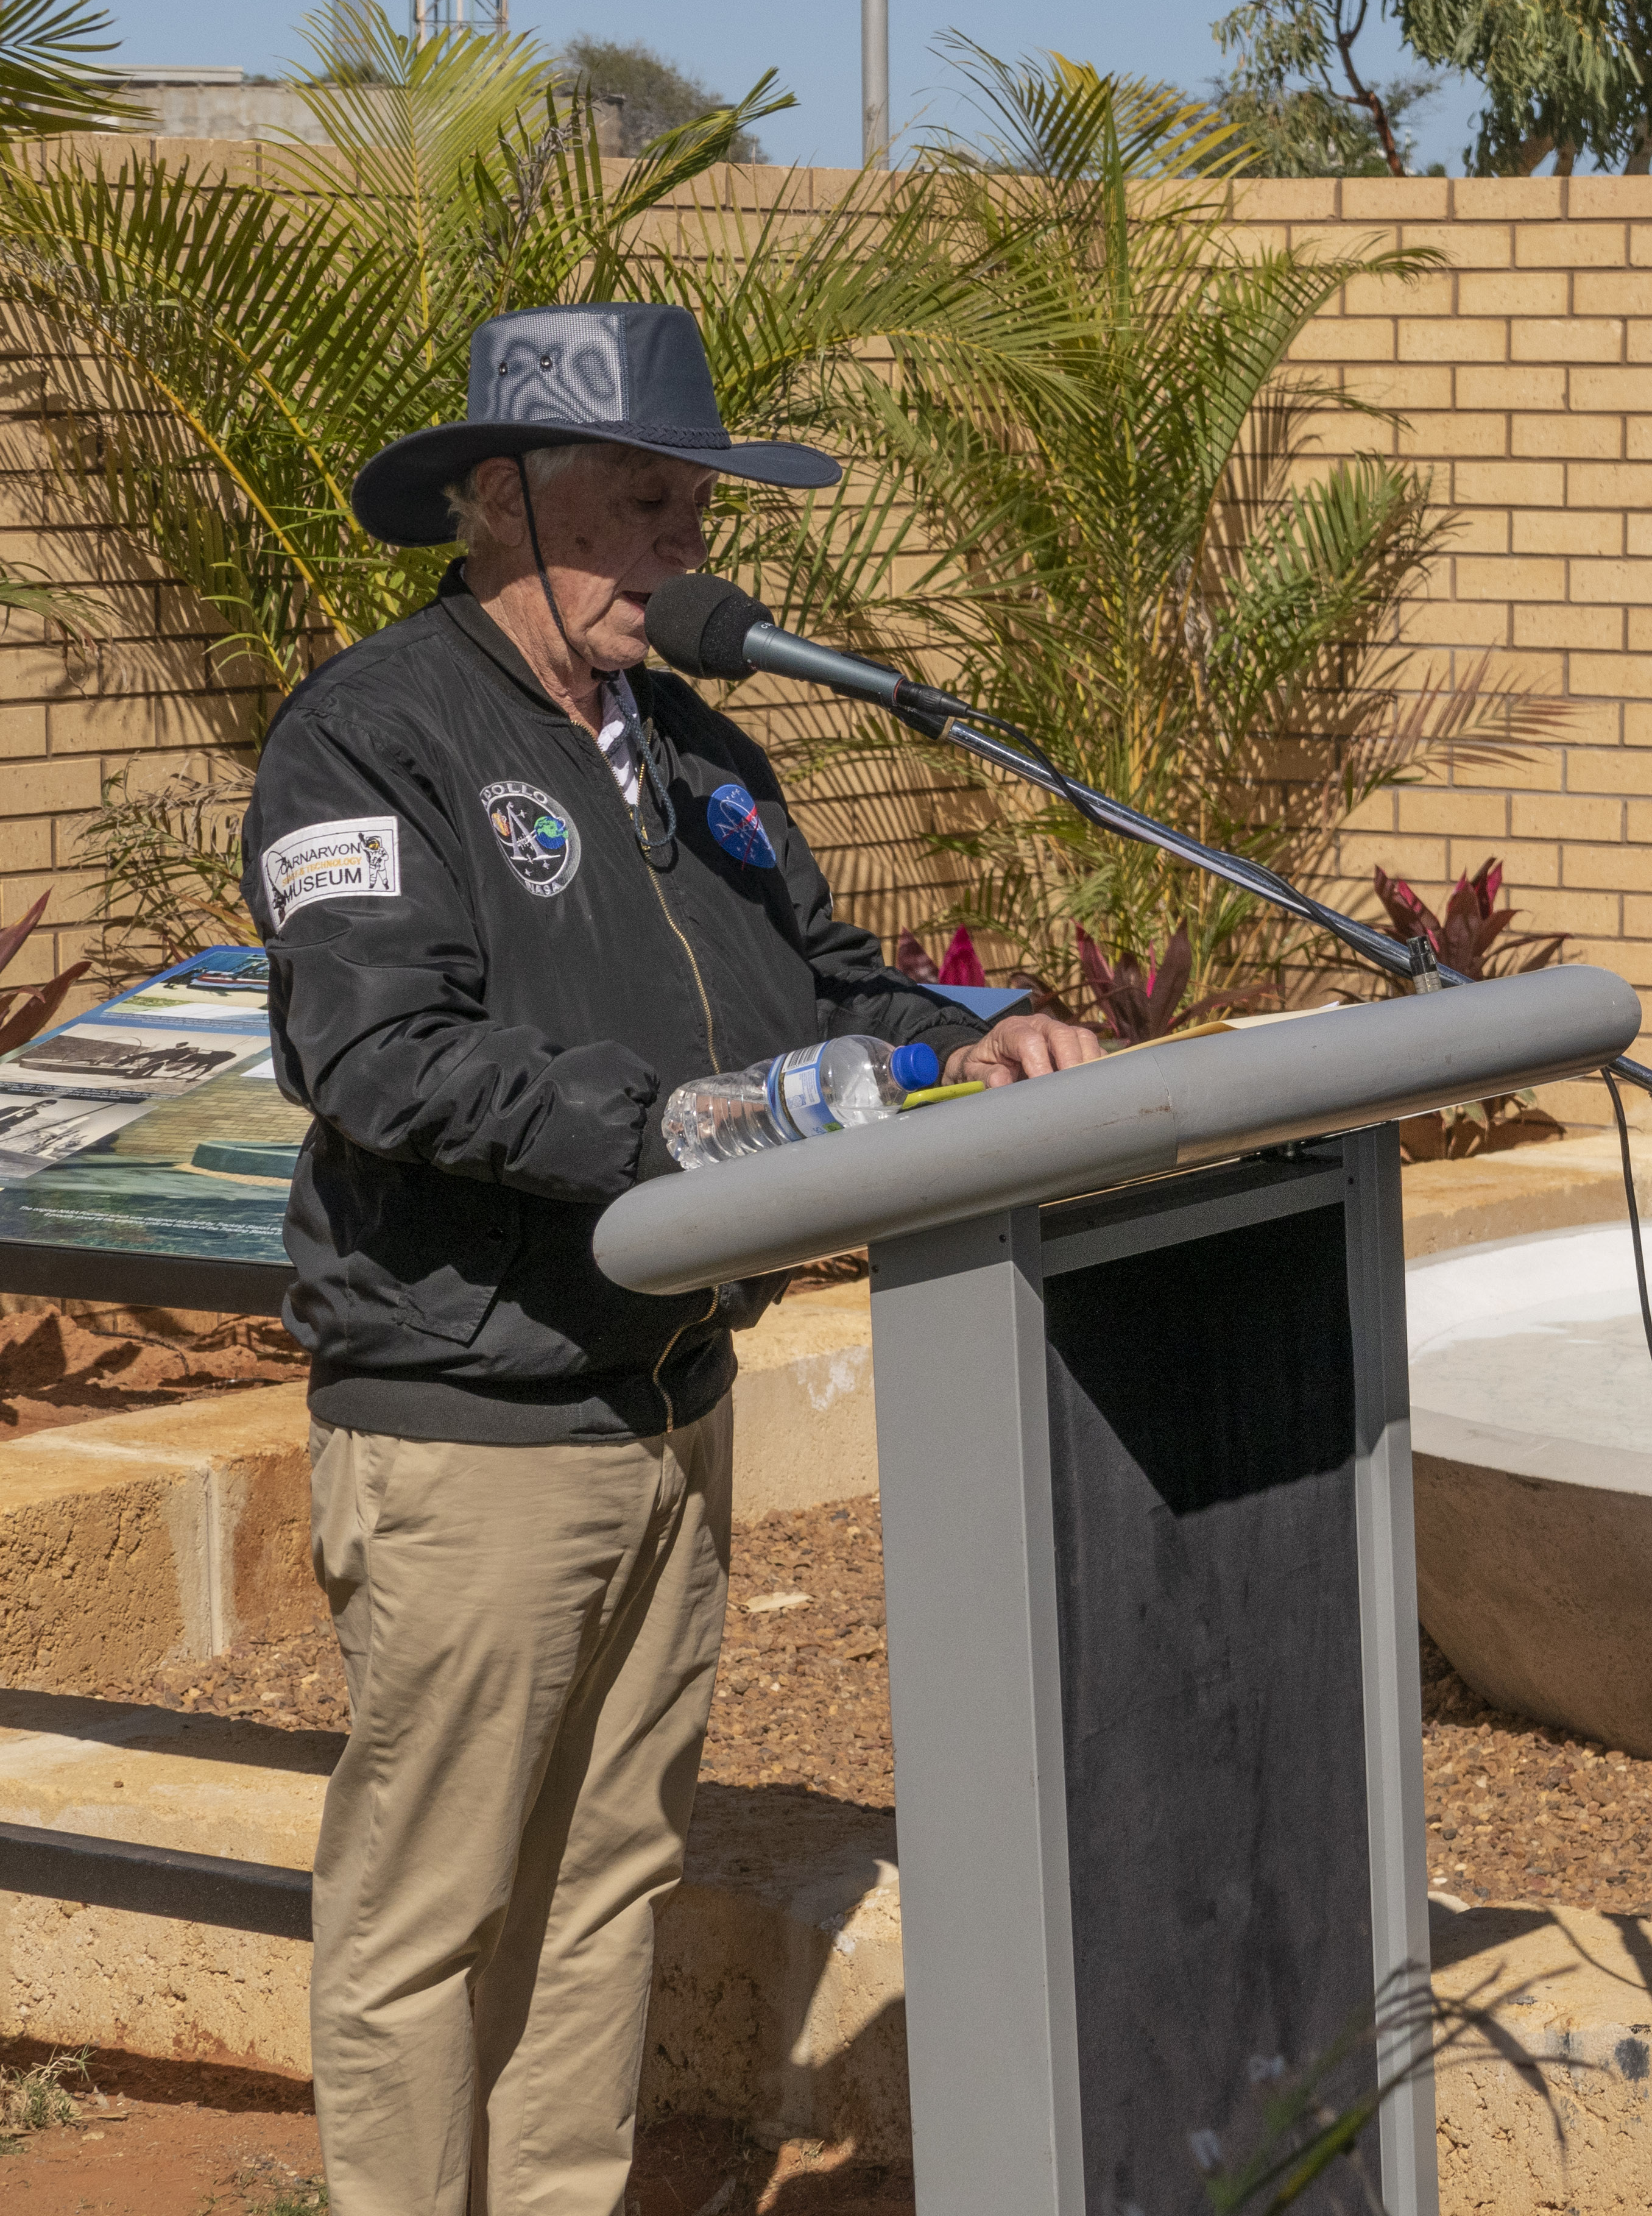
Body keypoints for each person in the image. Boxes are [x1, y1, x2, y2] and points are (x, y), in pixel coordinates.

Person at [241, 303, 1103, 2216]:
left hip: (672, 1399)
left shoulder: (699, 750)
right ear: (498, 500)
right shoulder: (373, 732)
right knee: (431, 1915)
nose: (684, 548)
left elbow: (830, 983)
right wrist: (675, 1132)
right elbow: (382, 1053)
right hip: (474, 1418)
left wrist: (976, 1038)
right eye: (642, 504)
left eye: (695, 510)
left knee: (606, 1883)